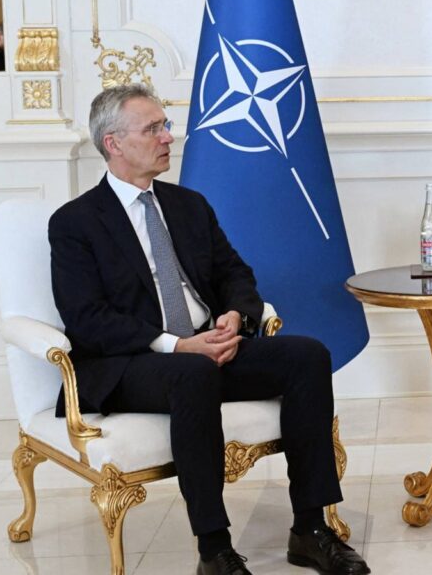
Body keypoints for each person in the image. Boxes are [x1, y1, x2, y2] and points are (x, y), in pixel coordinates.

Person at [49, 84, 370, 575]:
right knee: (191, 373)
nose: (167, 137)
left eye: (165, 125)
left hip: (210, 344)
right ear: (113, 143)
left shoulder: (187, 205)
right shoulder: (75, 223)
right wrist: (178, 345)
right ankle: (214, 549)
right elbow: (87, 318)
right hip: (133, 363)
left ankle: (310, 529)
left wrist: (234, 318)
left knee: (306, 355)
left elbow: (234, 275)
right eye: (153, 128)